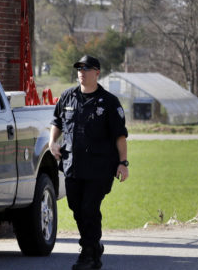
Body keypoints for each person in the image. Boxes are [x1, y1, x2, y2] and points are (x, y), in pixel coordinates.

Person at [49, 55, 129, 270]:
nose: (81, 72)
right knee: (76, 208)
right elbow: (56, 122)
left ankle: (87, 253)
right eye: (79, 69)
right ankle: (94, 246)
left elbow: (119, 135)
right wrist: (52, 143)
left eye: (86, 69)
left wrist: (123, 163)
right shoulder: (67, 97)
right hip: (72, 165)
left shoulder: (109, 102)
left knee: (89, 208)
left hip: (100, 167)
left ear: (97, 73)